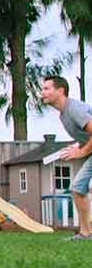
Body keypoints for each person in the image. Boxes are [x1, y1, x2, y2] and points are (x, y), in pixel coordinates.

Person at [41, 75, 92, 241]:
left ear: (60, 91)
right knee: (78, 188)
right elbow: (86, 135)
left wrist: (82, 152)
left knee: (78, 188)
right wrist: (78, 146)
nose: (42, 93)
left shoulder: (74, 109)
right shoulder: (64, 114)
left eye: (47, 89)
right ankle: (86, 233)